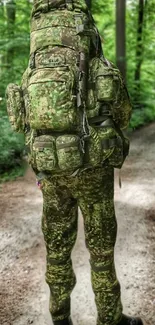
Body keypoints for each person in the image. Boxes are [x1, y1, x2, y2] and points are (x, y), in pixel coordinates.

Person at [6, 1, 143, 324]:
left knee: (56, 246)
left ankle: (60, 316)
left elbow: (21, 121)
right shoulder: (100, 69)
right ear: (88, 35)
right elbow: (123, 115)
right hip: (92, 170)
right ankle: (110, 319)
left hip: (50, 170)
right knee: (101, 250)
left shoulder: (31, 73)